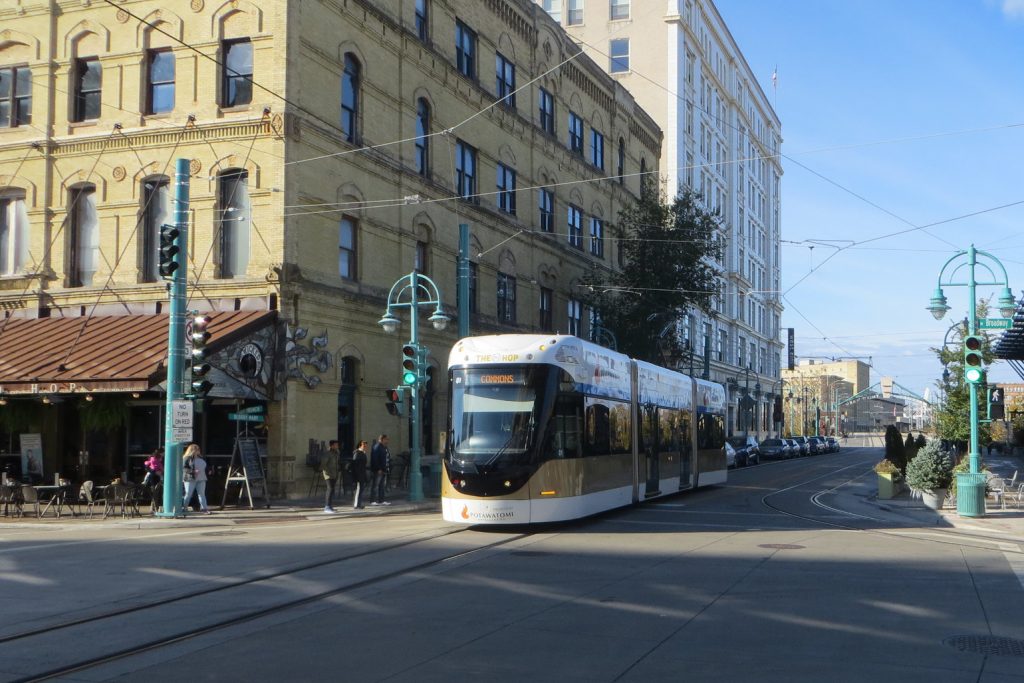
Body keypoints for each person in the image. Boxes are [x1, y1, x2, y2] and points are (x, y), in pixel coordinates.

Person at [182, 443, 212, 515]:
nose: (198, 451)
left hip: (201, 478)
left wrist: (209, 470)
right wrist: (193, 471)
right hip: (190, 478)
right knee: (188, 494)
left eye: (198, 449)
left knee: (201, 494)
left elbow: (204, 467)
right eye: (196, 449)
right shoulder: (186, 458)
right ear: (192, 450)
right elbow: (184, 468)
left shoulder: (201, 458)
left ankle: (204, 508)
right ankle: (184, 508)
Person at [370, 434, 391, 506]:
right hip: (379, 470)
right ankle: (372, 500)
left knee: (382, 485)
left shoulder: (384, 447)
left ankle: (381, 500)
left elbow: (386, 457)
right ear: (382, 439)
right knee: (376, 485)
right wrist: (378, 468)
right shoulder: (377, 447)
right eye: (386, 439)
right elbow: (375, 459)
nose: (387, 441)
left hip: (384, 469)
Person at [321, 440, 341, 513]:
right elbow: (323, 465)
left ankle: (330, 505)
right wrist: (328, 473)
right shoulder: (327, 454)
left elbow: (337, 463)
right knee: (330, 489)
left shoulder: (336, 453)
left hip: (335, 474)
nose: (337, 446)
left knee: (332, 490)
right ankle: (327, 507)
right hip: (328, 475)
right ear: (332, 445)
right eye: (336, 445)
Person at [351, 440, 369, 510]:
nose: (365, 447)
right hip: (358, 475)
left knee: (361, 490)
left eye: (365, 445)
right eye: (363, 445)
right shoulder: (357, 453)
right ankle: (356, 504)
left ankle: (359, 504)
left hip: (362, 474)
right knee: (358, 490)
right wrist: (357, 475)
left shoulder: (362, 453)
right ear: (360, 445)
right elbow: (355, 465)